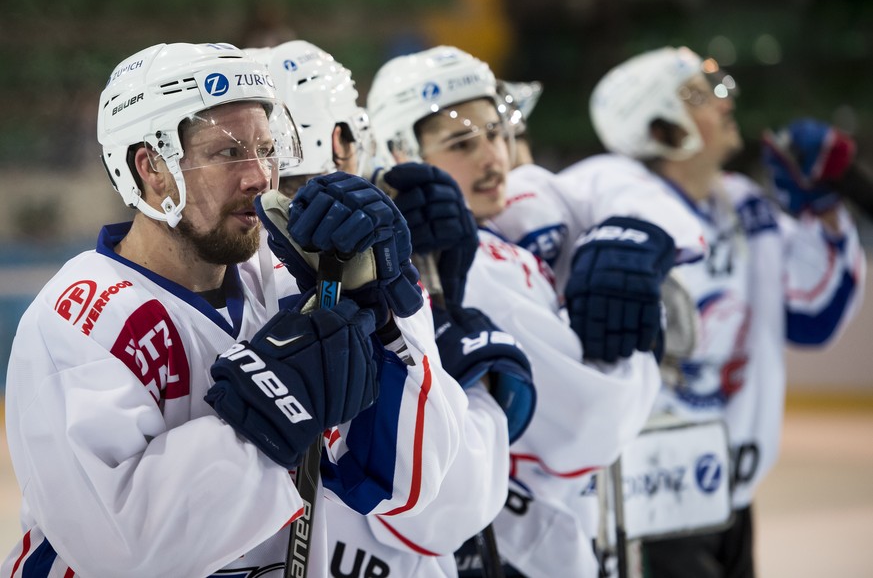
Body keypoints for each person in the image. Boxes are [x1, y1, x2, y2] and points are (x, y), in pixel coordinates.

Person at [1, 42, 473, 578]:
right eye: (228, 154)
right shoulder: (81, 317)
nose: (259, 178)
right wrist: (270, 412)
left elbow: (403, 482)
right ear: (152, 169)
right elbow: (120, 550)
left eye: (267, 149)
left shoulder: (283, 284)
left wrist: (386, 314)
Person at [496, 45, 866, 577]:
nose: (724, 102)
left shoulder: (742, 203)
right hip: (650, 496)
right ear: (662, 128)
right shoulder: (602, 189)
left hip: (729, 491)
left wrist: (823, 210)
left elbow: (813, 317)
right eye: (698, 94)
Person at [366, 44, 668, 578]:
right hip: (511, 544)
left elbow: (608, 189)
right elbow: (590, 424)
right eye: (462, 142)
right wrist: (645, 344)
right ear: (399, 153)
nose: (493, 156)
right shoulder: (470, 265)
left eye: (496, 132)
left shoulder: (507, 215)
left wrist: (629, 236)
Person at [249, 39, 532, 577]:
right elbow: (447, 507)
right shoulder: (378, 256)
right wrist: (442, 321)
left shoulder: (204, 277)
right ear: (344, 139)